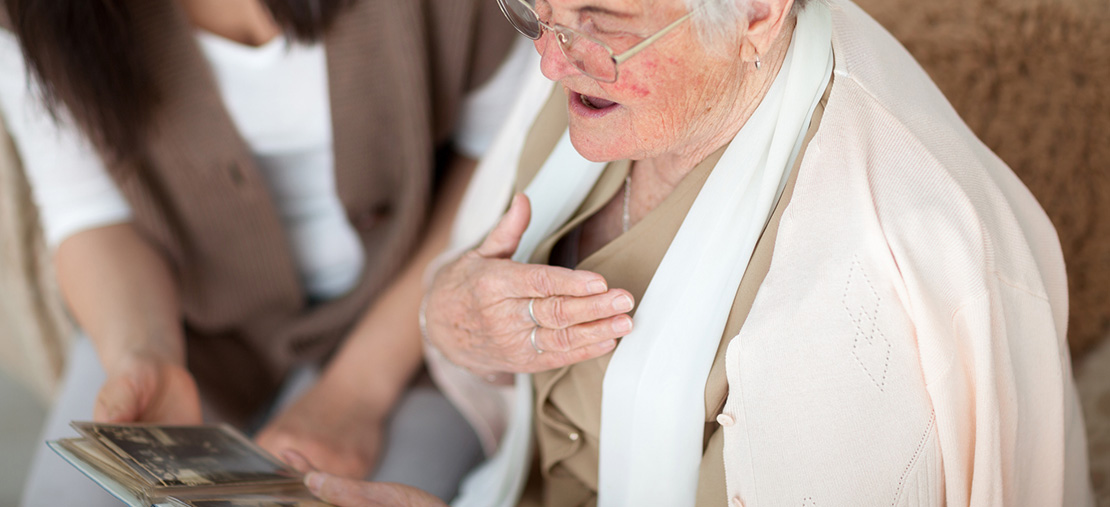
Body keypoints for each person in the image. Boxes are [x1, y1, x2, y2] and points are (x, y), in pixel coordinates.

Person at [298, 0, 1095, 505]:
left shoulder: (864, 287)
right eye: (537, 9)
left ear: (757, 15)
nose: (549, 58)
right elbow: (469, 333)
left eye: (601, 21)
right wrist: (453, 317)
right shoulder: (583, 74)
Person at [0, 0, 529, 504]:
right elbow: (88, 211)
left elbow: (497, 160)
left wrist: (357, 391)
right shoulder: (29, 17)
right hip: (180, 319)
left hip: (414, 319)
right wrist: (142, 352)